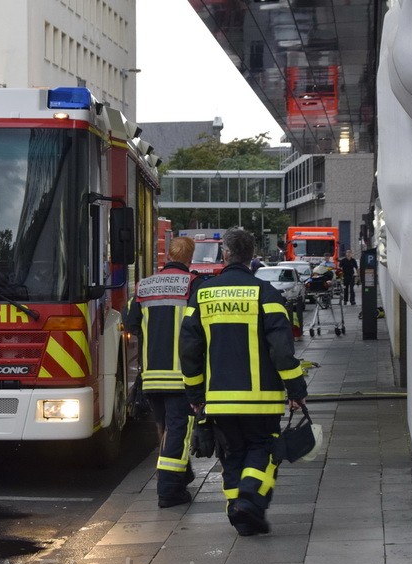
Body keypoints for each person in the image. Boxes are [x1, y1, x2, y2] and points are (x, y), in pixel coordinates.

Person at [180, 227, 307, 536]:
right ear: (252, 257)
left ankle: (241, 514)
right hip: (261, 402)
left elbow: (189, 349)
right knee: (262, 451)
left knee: (232, 456)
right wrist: (296, 389)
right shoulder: (267, 295)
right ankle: (249, 501)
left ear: (225, 255)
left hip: (219, 402)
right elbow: (282, 350)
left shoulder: (203, 295)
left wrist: (195, 394)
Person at [125, 236, 204, 508]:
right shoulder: (194, 284)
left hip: (151, 375)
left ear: (168, 256)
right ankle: (169, 490)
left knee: (164, 429)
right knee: (178, 430)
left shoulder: (144, 286)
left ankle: (180, 474)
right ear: (189, 257)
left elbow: (131, 325)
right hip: (182, 375)